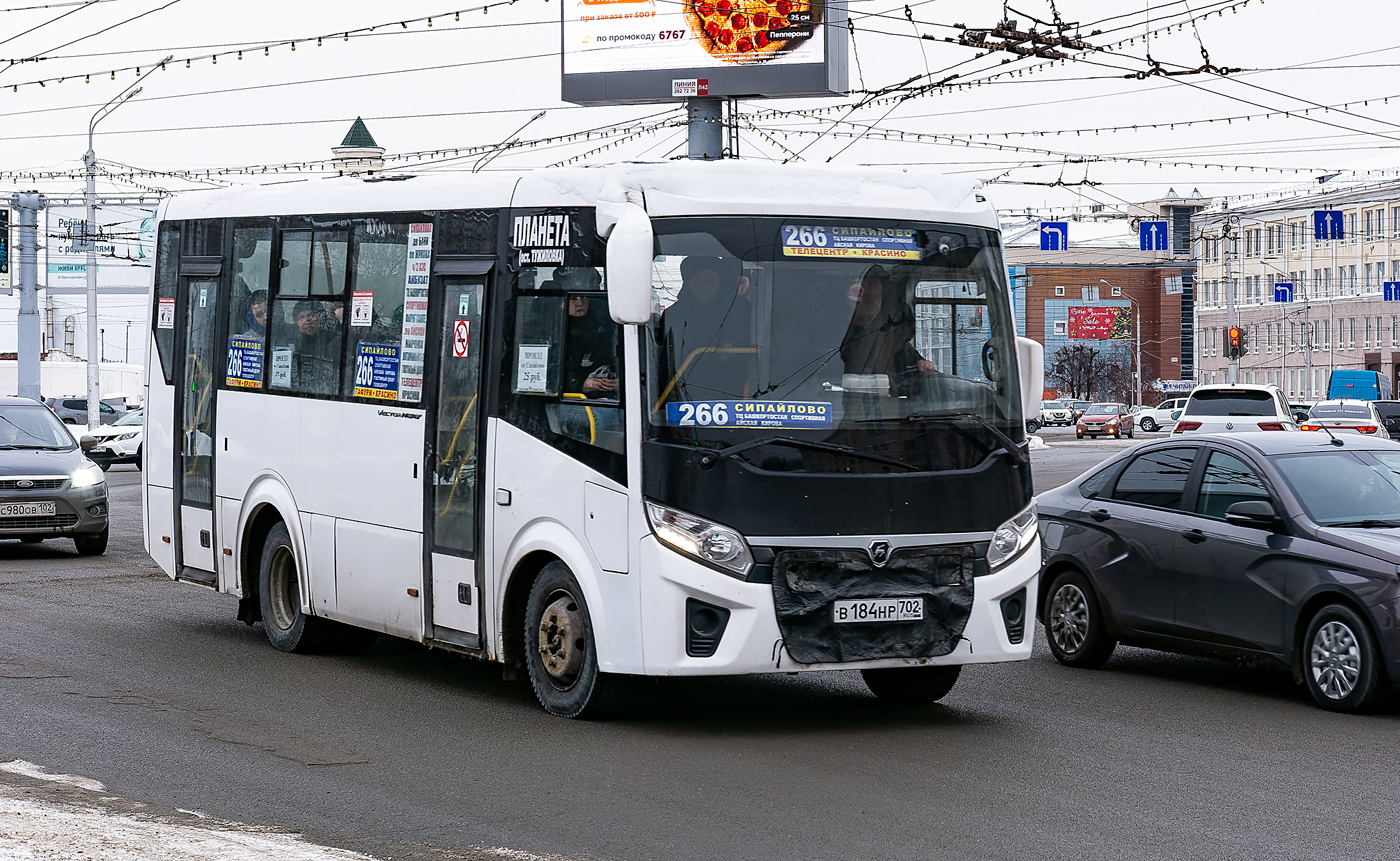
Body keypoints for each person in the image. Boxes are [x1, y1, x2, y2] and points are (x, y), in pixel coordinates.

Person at [658, 256, 754, 400]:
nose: (704, 286)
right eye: (698, 280)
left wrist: (733, 349)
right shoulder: (673, 314)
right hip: (685, 385)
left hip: (735, 385)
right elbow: (664, 355)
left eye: (709, 280)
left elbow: (757, 347)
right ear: (688, 282)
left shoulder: (742, 310)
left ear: (720, 280)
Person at [840, 266, 936, 399]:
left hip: (887, 408)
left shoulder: (894, 338)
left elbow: (914, 363)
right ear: (851, 298)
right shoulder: (837, 329)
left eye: (876, 296)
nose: (871, 302)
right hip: (841, 405)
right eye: (864, 295)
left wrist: (923, 364)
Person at [564, 294, 618, 398]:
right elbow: (552, 377)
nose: (580, 303)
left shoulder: (604, 326)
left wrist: (616, 382)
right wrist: (582, 385)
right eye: (573, 298)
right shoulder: (555, 330)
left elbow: (609, 359)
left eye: (584, 297)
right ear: (561, 303)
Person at [291, 299, 340, 394]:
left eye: (311, 315)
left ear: (320, 318)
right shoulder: (292, 343)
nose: (308, 320)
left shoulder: (333, 339)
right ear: (296, 323)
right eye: (302, 317)